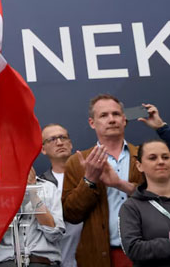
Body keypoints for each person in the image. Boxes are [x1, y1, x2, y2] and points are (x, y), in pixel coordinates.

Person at [62, 94, 144, 267]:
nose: (111, 119)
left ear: (124, 120)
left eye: (116, 114)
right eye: (104, 115)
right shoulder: (77, 162)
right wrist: (89, 180)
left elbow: (161, 199)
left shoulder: (145, 156)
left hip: (145, 252)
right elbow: (71, 214)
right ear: (92, 123)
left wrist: (120, 185)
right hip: (99, 256)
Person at [0, 167, 65, 266]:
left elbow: (54, 235)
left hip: (41, 261)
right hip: (6, 261)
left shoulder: (49, 188)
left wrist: (32, 192)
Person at [119, 139, 170, 266]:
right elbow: (133, 249)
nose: (161, 162)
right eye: (152, 158)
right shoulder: (131, 207)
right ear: (139, 166)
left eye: (166, 157)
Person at [39, 124, 83, 267]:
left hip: (92, 255)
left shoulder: (88, 174)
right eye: (52, 139)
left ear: (70, 143)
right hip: (58, 257)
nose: (59, 142)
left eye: (63, 137)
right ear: (43, 149)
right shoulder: (41, 186)